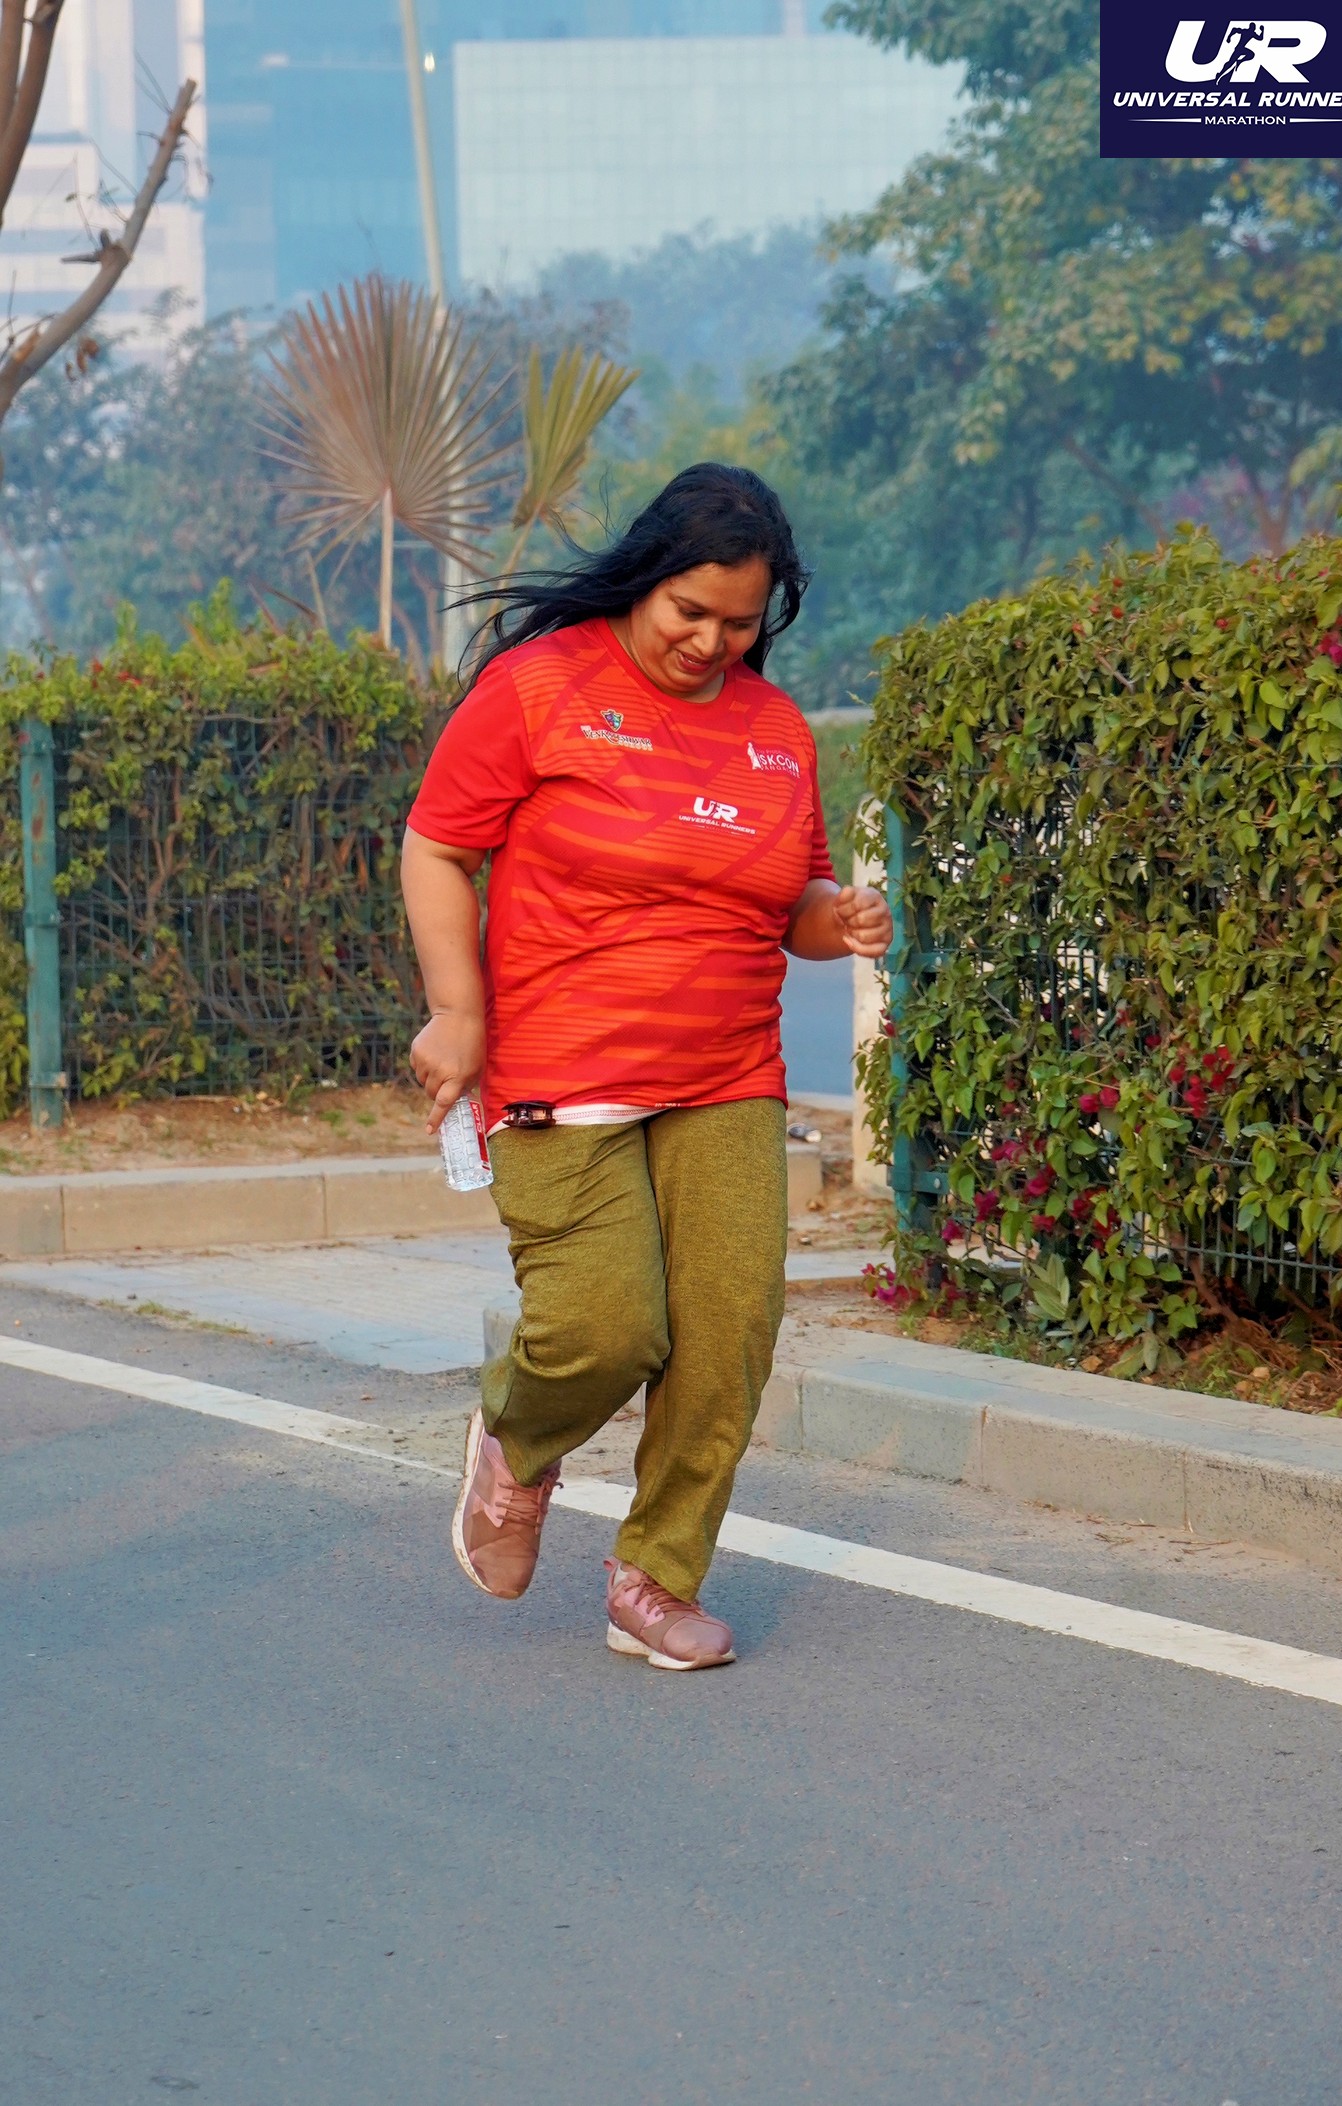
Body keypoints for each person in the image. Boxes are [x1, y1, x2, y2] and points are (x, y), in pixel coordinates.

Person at [401, 462, 893, 1670]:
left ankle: (655, 1578)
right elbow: (436, 847)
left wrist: (837, 918)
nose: (710, 642)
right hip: (559, 1069)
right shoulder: (540, 688)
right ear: (644, 578)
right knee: (605, 1329)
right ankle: (517, 1445)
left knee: (729, 1330)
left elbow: (791, 900)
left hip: (727, 1071)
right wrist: (456, 1012)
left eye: (740, 623)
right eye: (690, 611)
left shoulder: (774, 732)